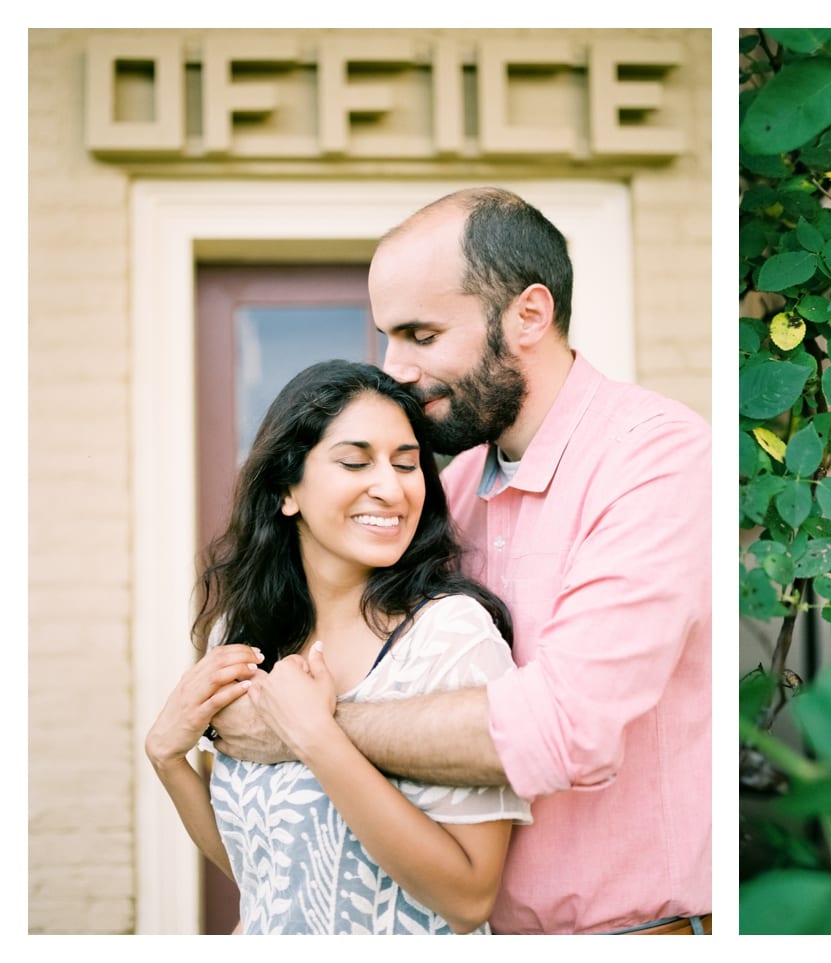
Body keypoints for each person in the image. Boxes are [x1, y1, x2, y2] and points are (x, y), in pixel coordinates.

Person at [213, 188, 712, 935]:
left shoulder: (657, 458)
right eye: (388, 336)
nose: (397, 369)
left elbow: (559, 727)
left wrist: (304, 730)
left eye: (420, 333)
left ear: (528, 316)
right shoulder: (445, 489)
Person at [145, 360, 531, 934]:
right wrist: (169, 759)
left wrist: (315, 737)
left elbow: (469, 897)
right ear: (285, 489)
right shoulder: (244, 635)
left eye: (407, 464)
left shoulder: (451, 637)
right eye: (355, 461)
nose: (391, 487)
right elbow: (268, 876)